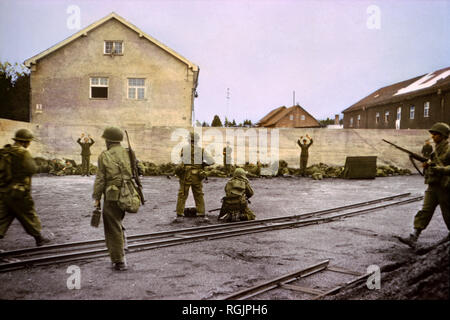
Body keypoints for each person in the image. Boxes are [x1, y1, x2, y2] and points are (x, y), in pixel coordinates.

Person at [398, 122, 450, 247]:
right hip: (433, 185)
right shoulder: (435, 149)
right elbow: (432, 163)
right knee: (425, 210)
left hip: (445, 186)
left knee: (448, 213)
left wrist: (440, 169)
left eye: (436, 135)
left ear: (443, 135)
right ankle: (414, 236)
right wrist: (427, 165)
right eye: (432, 134)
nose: (433, 137)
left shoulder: (448, 149)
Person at [0, 129, 51, 246]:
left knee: (2, 218)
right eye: (29, 142)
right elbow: (32, 169)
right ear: (25, 142)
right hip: (19, 192)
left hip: (4, 191)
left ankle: (39, 237)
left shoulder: (5, 151)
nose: (29, 144)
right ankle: (39, 238)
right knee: (28, 214)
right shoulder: (22, 153)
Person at [92, 127, 131, 271]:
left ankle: (119, 261)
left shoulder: (105, 155)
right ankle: (124, 245)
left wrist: (96, 197)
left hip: (112, 196)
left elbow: (100, 180)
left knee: (112, 226)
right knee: (117, 220)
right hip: (128, 194)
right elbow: (141, 169)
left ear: (108, 140)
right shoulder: (129, 153)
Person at [174, 132, 214, 223]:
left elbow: (181, 160)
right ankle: (201, 214)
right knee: (199, 194)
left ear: (188, 140)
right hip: (197, 175)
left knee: (182, 195)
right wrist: (202, 164)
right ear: (197, 140)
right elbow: (212, 161)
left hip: (186, 175)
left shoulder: (184, 149)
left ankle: (179, 214)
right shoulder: (201, 150)